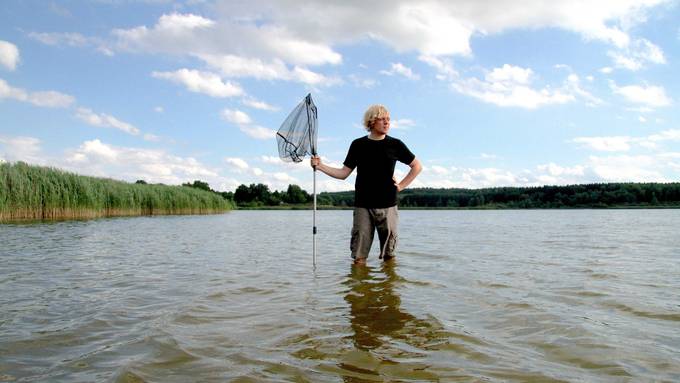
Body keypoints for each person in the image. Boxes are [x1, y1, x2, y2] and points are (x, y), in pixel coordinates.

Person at [311, 104, 422, 265]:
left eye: (388, 119)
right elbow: (343, 173)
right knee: (359, 257)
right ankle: (360, 288)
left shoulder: (396, 144)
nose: (387, 122)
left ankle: (387, 290)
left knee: (389, 256)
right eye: (382, 119)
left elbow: (417, 166)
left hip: (388, 205)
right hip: (363, 206)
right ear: (371, 122)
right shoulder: (358, 145)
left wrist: (401, 186)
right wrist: (320, 166)